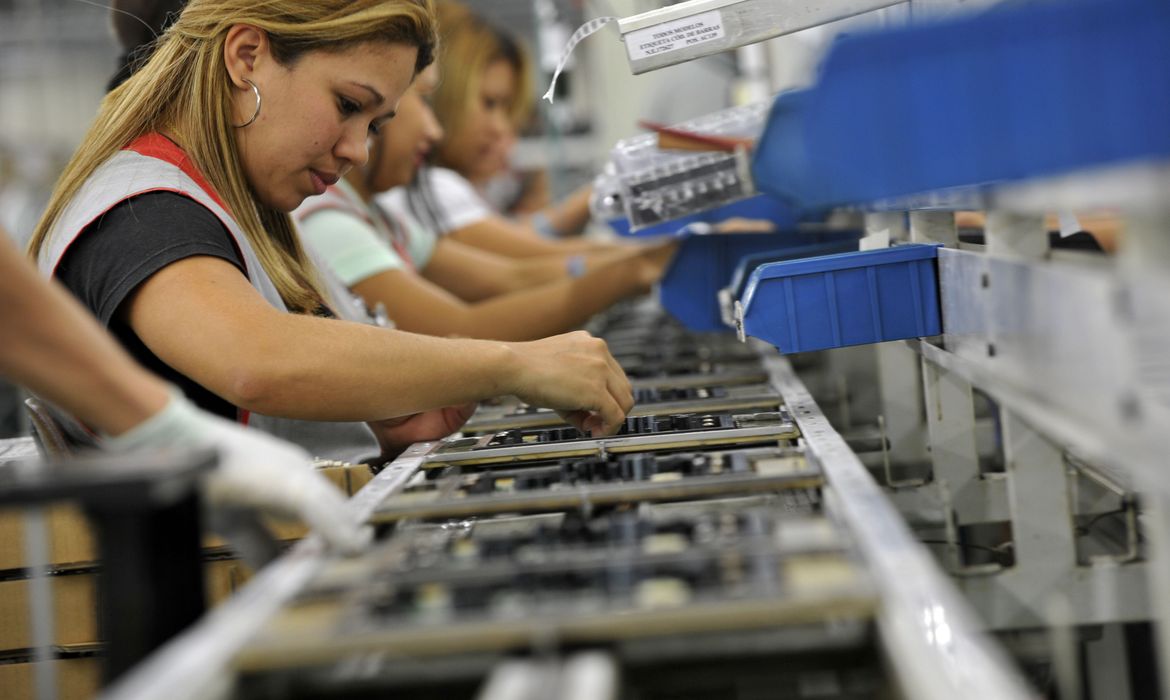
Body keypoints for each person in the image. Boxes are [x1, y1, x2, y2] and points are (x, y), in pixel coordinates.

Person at [28, 0, 633, 466]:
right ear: (246, 57)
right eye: (348, 104)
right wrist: (510, 365)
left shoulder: (235, 208)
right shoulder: (141, 210)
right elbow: (258, 358)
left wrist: (374, 418)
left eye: (376, 123)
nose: (357, 151)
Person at [1, 229, 367, 554]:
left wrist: (162, 429)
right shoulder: (149, 221)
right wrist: (169, 431)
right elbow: (252, 369)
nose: (355, 153)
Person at [296, 64, 677, 341]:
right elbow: (462, 328)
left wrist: (640, 260)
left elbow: (513, 275)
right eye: (424, 103)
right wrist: (634, 268)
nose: (434, 129)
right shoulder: (328, 221)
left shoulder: (381, 215)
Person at [382, 1, 605, 258]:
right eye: (489, 103)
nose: (501, 128)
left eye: (506, 109)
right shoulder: (434, 188)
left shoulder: (448, 188)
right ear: (443, 94)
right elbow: (526, 257)